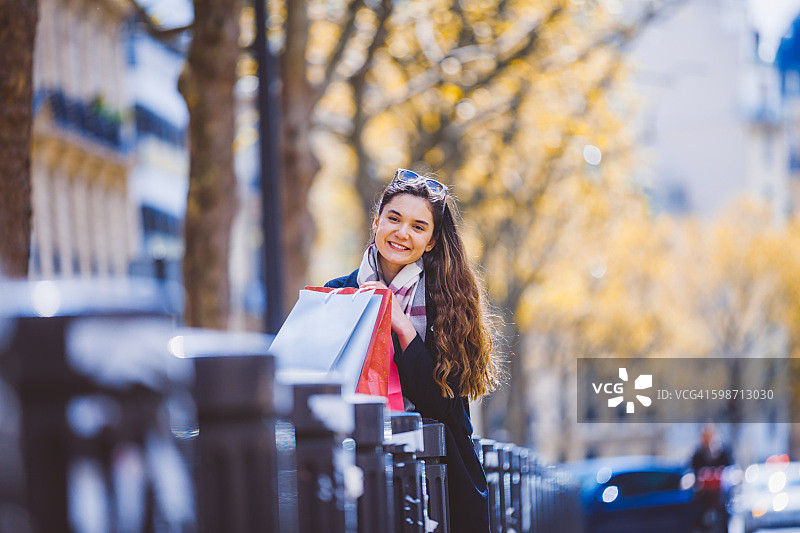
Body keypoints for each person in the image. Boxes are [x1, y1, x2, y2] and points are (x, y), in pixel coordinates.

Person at [325, 169, 500, 533]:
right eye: (394, 218)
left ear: (432, 241)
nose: (402, 232)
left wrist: (402, 327)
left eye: (419, 227)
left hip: (437, 471)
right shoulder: (336, 294)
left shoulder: (449, 305)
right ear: (376, 223)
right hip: (357, 463)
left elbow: (441, 405)